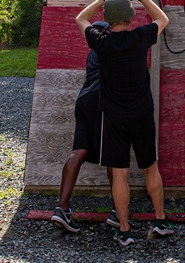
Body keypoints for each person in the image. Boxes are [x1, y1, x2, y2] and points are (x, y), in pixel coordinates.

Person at [75, 0, 175, 246]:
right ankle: (161, 220)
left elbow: (81, 18)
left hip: (114, 116)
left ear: (107, 17)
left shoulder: (100, 41)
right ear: (130, 16)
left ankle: (125, 229)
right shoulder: (141, 37)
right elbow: (162, 18)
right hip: (141, 114)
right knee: (150, 168)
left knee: (119, 174)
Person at [50, 21, 140, 233]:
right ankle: (119, 214)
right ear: (106, 33)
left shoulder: (93, 51)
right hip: (103, 99)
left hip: (84, 99)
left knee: (78, 152)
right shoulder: (108, 46)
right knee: (115, 153)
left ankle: (61, 209)